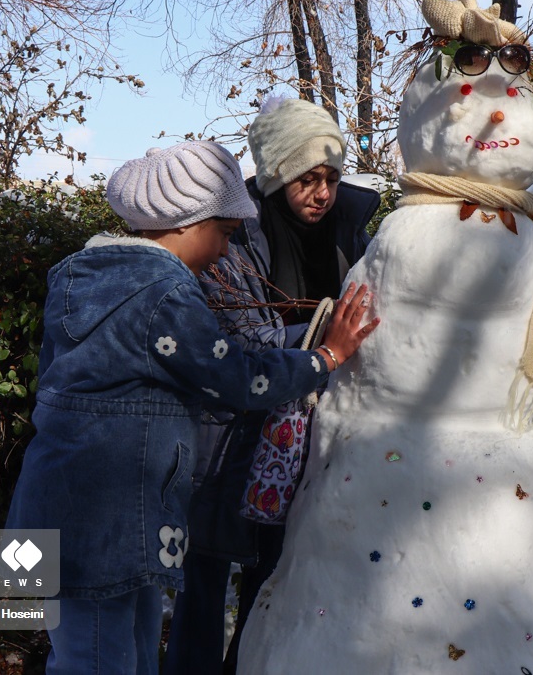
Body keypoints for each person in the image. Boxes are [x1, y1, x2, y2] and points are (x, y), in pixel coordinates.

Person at [3, 140, 379, 675]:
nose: (227, 252)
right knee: (98, 660)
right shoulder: (162, 294)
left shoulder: (78, 279)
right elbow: (235, 378)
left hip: (70, 508)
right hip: (107, 521)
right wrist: (324, 356)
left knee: (119, 651)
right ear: (186, 222)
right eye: (224, 234)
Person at [163, 97, 380, 674]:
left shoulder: (350, 237)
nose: (322, 193)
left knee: (274, 578)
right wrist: (327, 335)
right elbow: (244, 340)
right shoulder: (232, 239)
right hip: (227, 437)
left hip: (307, 436)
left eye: (331, 178)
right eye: (307, 178)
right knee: (203, 581)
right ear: (278, 174)